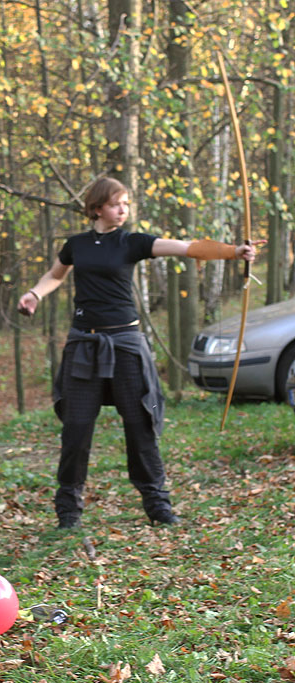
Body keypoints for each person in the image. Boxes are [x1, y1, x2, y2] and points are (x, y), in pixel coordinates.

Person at [16, 176, 256, 529]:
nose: (123, 210)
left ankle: (158, 506)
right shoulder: (76, 245)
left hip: (126, 344)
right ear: (97, 208)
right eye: (116, 204)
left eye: (126, 203)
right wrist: (35, 294)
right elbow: (55, 275)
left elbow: (186, 247)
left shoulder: (133, 243)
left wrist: (233, 251)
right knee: (77, 429)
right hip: (84, 344)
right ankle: (68, 511)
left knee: (140, 424)